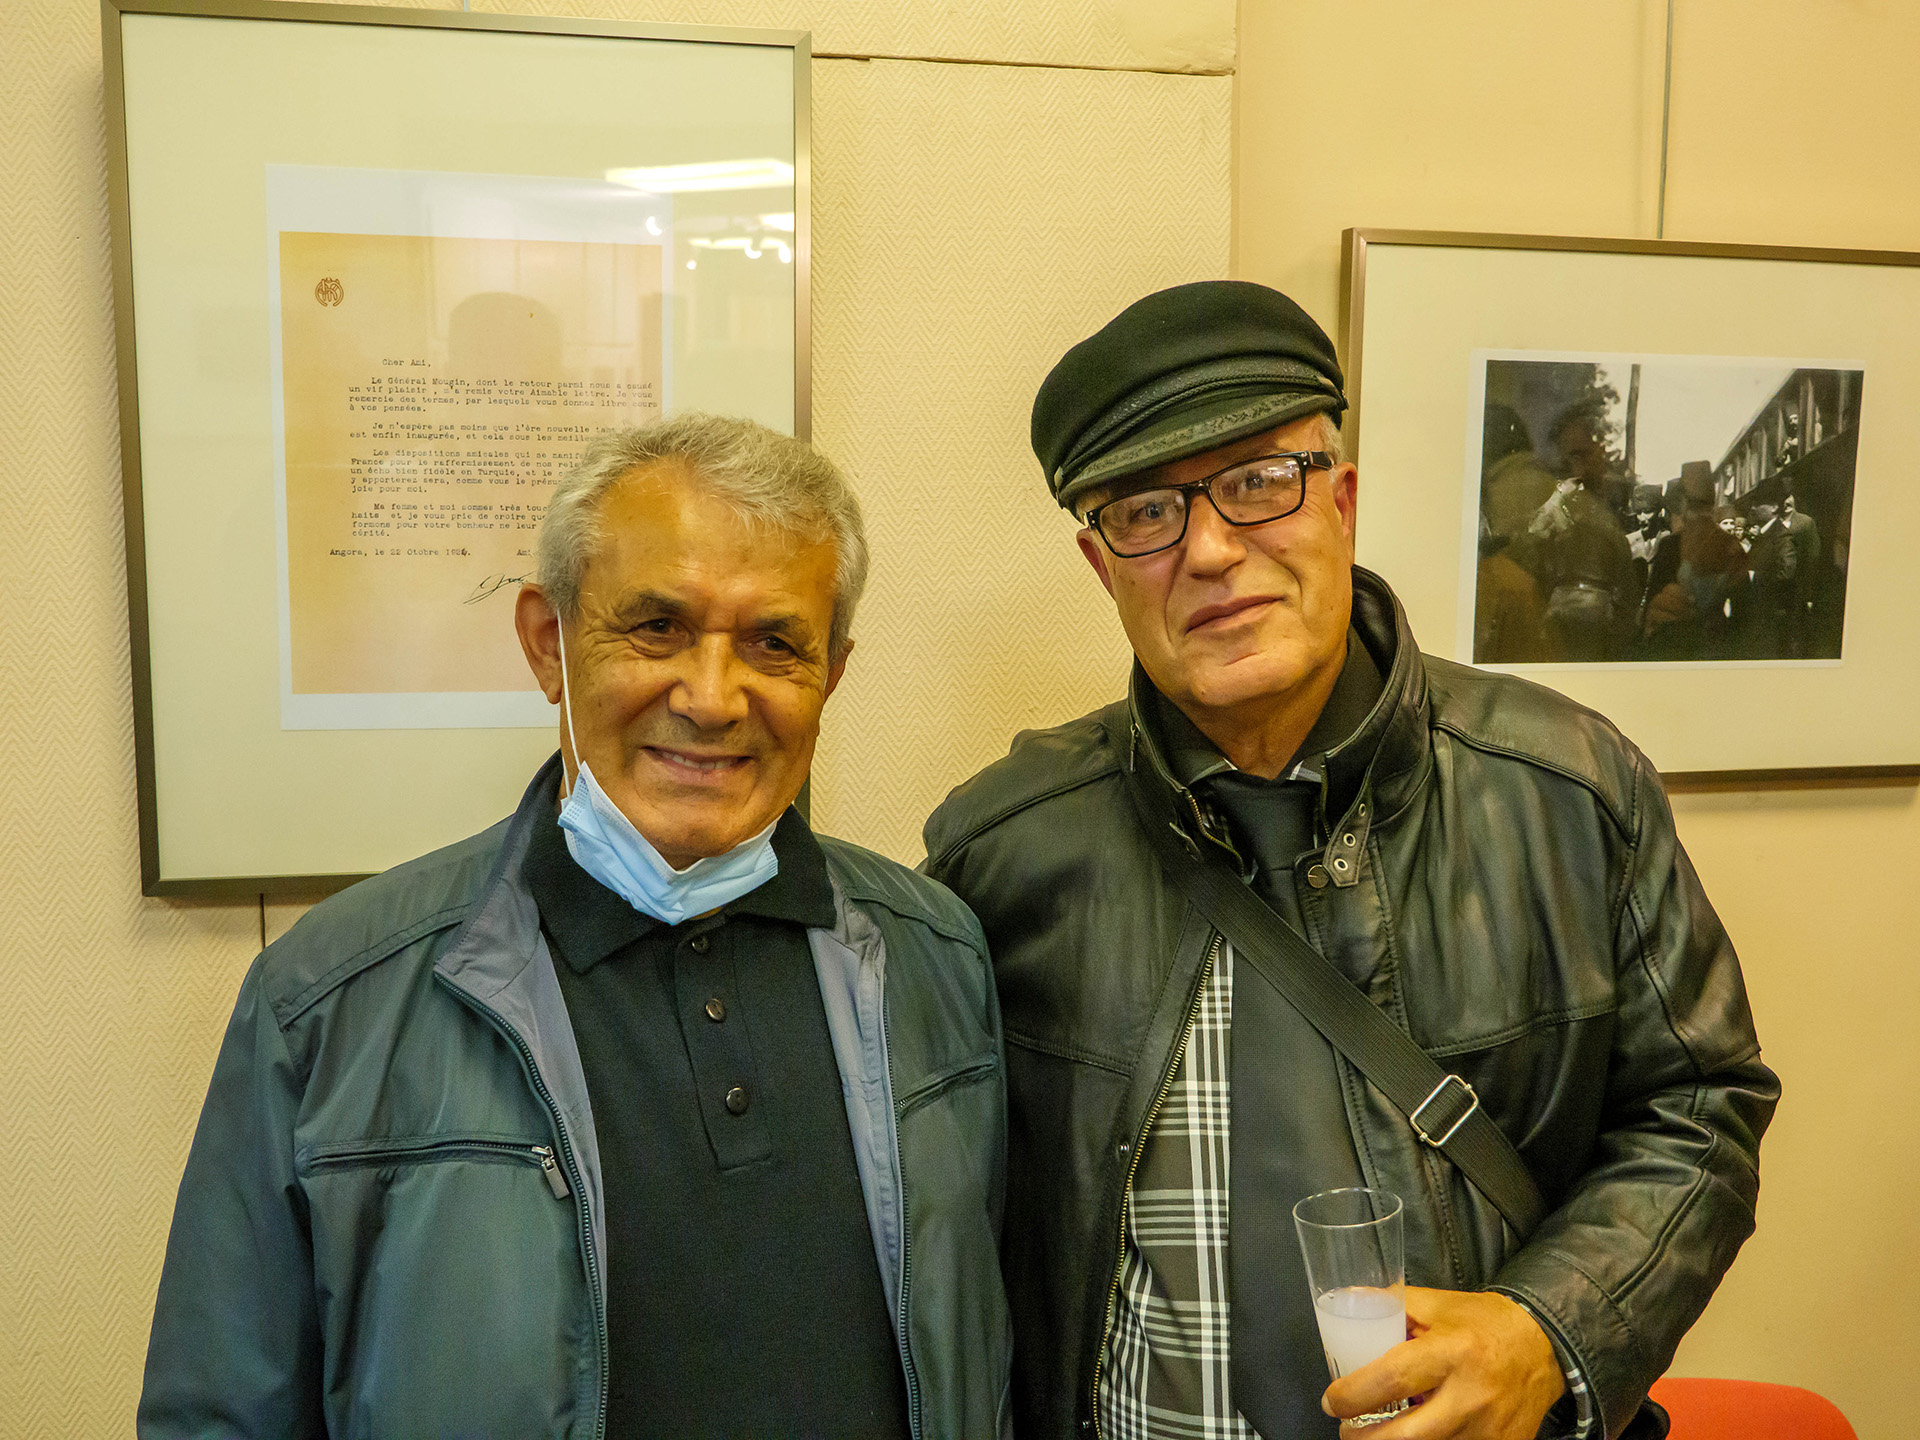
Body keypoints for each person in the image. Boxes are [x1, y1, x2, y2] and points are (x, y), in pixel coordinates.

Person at [922, 282, 1776, 1440]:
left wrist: (1552, 1330)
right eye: (1147, 513)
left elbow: (1699, 1104)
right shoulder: (1003, 850)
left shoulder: (1568, 790)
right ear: (1100, 562)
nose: (1211, 550)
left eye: (1259, 483)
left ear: (1343, 501)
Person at [140, 415, 1013, 1439]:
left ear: (832, 673)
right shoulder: (328, 1004)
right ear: (548, 644)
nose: (713, 698)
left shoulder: (936, 957)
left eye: (775, 644)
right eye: (657, 628)